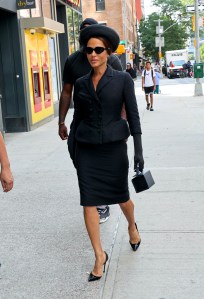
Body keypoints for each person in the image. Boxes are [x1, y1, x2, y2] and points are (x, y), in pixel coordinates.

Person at [72, 24, 144, 282]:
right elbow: (78, 118)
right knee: (88, 202)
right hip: (87, 151)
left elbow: (134, 116)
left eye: (98, 50)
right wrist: (74, 149)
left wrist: (139, 150)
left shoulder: (122, 79)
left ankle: (132, 226)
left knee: (122, 197)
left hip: (114, 149)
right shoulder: (81, 83)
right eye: (89, 50)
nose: (92, 54)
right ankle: (99, 255)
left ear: (108, 51)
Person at [58, 18, 123, 224]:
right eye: (84, 33)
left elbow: (123, 92)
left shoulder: (110, 59)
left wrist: (121, 122)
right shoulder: (73, 61)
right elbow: (67, 92)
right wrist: (61, 121)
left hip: (106, 122)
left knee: (105, 164)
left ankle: (101, 202)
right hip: (81, 123)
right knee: (79, 159)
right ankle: (95, 191)